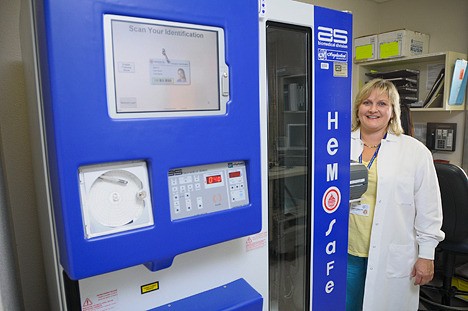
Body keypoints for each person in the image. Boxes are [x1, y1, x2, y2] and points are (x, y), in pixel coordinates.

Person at [346, 78, 444, 311]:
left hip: (393, 251)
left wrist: (427, 255)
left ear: (392, 112)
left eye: (382, 104)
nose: (373, 109)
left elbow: (429, 208)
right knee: (346, 305)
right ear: (358, 108)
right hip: (347, 250)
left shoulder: (414, 151)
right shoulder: (338, 145)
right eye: (367, 102)